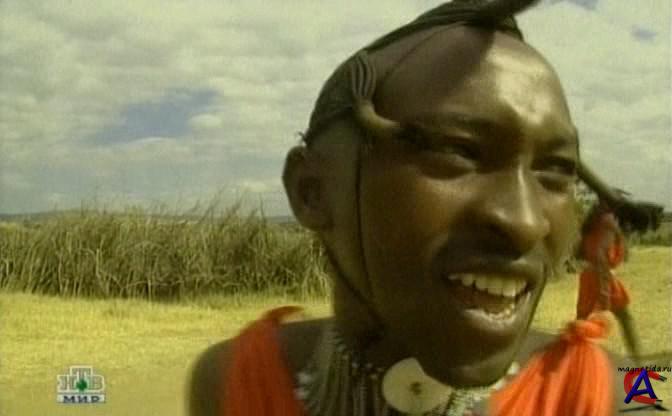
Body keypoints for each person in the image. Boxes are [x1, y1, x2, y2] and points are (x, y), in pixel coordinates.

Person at [188, 1, 663, 415]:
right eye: (457, 152)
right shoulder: (229, 381)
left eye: (555, 171)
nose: (525, 222)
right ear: (312, 192)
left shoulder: (631, 394)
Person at [577, 201, 642, 362]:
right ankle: (637, 359)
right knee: (625, 318)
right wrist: (604, 293)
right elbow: (601, 255)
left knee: (582, 320)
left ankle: (574, 357)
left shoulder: (593, 221)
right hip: (602, 276)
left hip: (589, 276)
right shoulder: (607, 220)